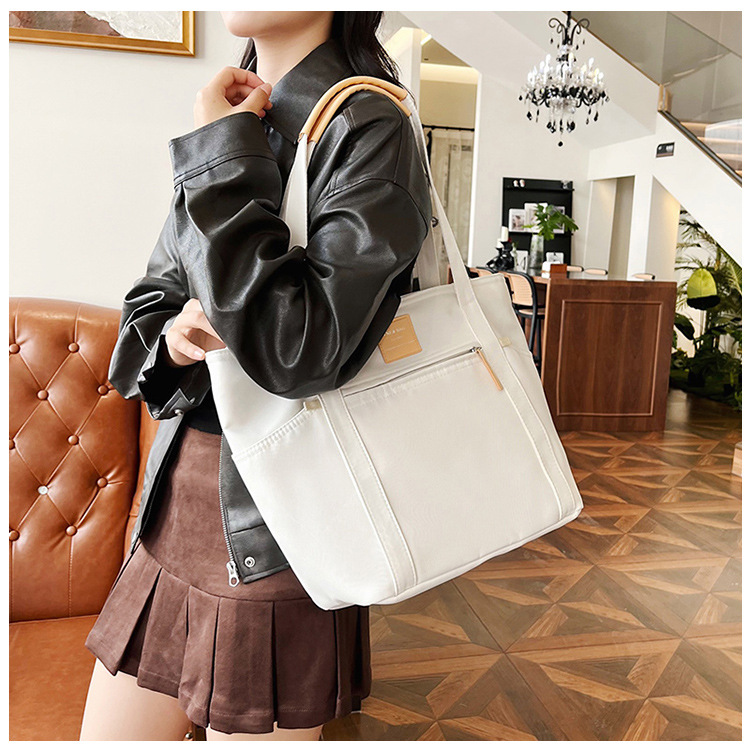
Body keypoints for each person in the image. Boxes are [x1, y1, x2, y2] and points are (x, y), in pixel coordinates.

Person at [79, 10, 431, 741]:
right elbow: (146, 310)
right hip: (173, 515)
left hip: (280, 530)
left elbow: (297, 348)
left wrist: (221, 153)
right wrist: (175, 341)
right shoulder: (235, 120)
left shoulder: (370, 126)